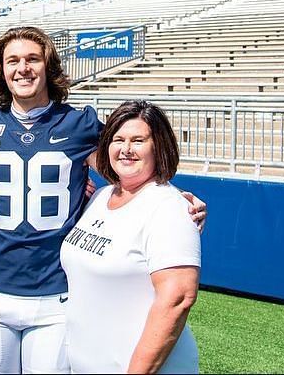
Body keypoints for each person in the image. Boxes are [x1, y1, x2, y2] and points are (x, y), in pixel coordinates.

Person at [0, 27, 206, 374]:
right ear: (1, 70)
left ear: (48, 66)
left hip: (55, 298)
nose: (23, 68)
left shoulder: (79, 123)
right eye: (12, 60)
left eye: (33, 58)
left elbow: (129, 162)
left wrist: (177, 203)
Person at [60, 100, 200, 373]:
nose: (126, 149)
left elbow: (177, 299)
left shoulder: (169, 207)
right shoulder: (101, 197)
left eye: (138, 140)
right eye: (118, 139)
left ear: (158, 146)